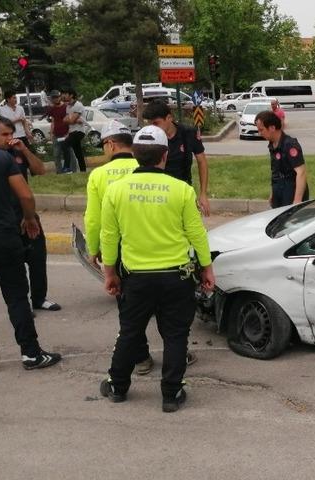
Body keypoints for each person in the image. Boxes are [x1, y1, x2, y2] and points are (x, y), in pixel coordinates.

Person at [98, 125, 214, 412]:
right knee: (175, 335)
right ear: (165, 155)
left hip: (136, 279)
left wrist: (110, 272)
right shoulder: (181, 189)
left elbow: (109, 236)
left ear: (136, 155)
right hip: (176, 277)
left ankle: (117, 386)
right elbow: (196, 233)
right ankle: (171, 394)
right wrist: (206, 268)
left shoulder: (116, 191)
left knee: (130, 332)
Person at [0, 111, 62, 374]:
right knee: (17, 298)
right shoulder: (1, 158)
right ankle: (31, 354)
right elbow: (25, 194)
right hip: (4, 237)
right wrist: (29, 218)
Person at [84, 120, 170, 375]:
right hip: (155, 242)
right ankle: (177, 351)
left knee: (128, 306)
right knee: (166, 303)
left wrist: (94, 248)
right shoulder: (145, 165)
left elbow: (93, 217)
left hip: (121, 249)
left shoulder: (98, 175)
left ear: (110, 144)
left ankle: (141, 357)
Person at [0, 116, 61, 313]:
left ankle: (39, 298)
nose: (9, 138)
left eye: (11, 133)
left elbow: (40, 170)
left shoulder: (16, 153)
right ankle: (21, 305)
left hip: (26, 214)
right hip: (5, 219)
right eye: (4, 134)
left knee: (37, 257)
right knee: (15, 266)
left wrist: (25, 150)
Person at [142, 100, 211, 216]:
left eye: (155, 123)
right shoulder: (149, 138)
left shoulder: (188, 133)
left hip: (183, 191)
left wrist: (203, 193)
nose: (152, 128)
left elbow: (202, 161)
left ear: (169, 118)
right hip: (158, 193)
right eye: (149, 124)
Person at [255, 110, 309, 208]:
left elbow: (301, 173)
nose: (259, 133)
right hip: (279, 192)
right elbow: (275, 171)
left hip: (291, 192)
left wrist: (297, 202)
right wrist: (273, 193)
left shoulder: (290, 145)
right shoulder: (272, 145)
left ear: (272, 127)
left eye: (261, 130)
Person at [44, 90, 73, 174]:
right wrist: (51, 133)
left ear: (60, 97)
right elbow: (53, 121)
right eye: (53, 98)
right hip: (56, 135)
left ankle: (72, 170)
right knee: (56, 155)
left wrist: (69, 133)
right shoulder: (52, 109)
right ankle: (59, 172)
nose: (55, 99)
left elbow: (70, 120)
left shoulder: (66, 107)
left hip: (66, 134)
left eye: (57, 97)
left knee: (70, 153)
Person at [62, 88, 87, 172]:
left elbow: (71, 120)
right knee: (78, 152)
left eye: (65, 94)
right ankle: (83, 170)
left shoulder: (78, 105)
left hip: (79, 131)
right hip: (72, 131)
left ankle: (67, 167)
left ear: (71, 95)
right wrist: (73, 120)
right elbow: (64, 120)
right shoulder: (68, 107)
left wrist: (71, 120)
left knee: (65, 144)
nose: (63, 96)